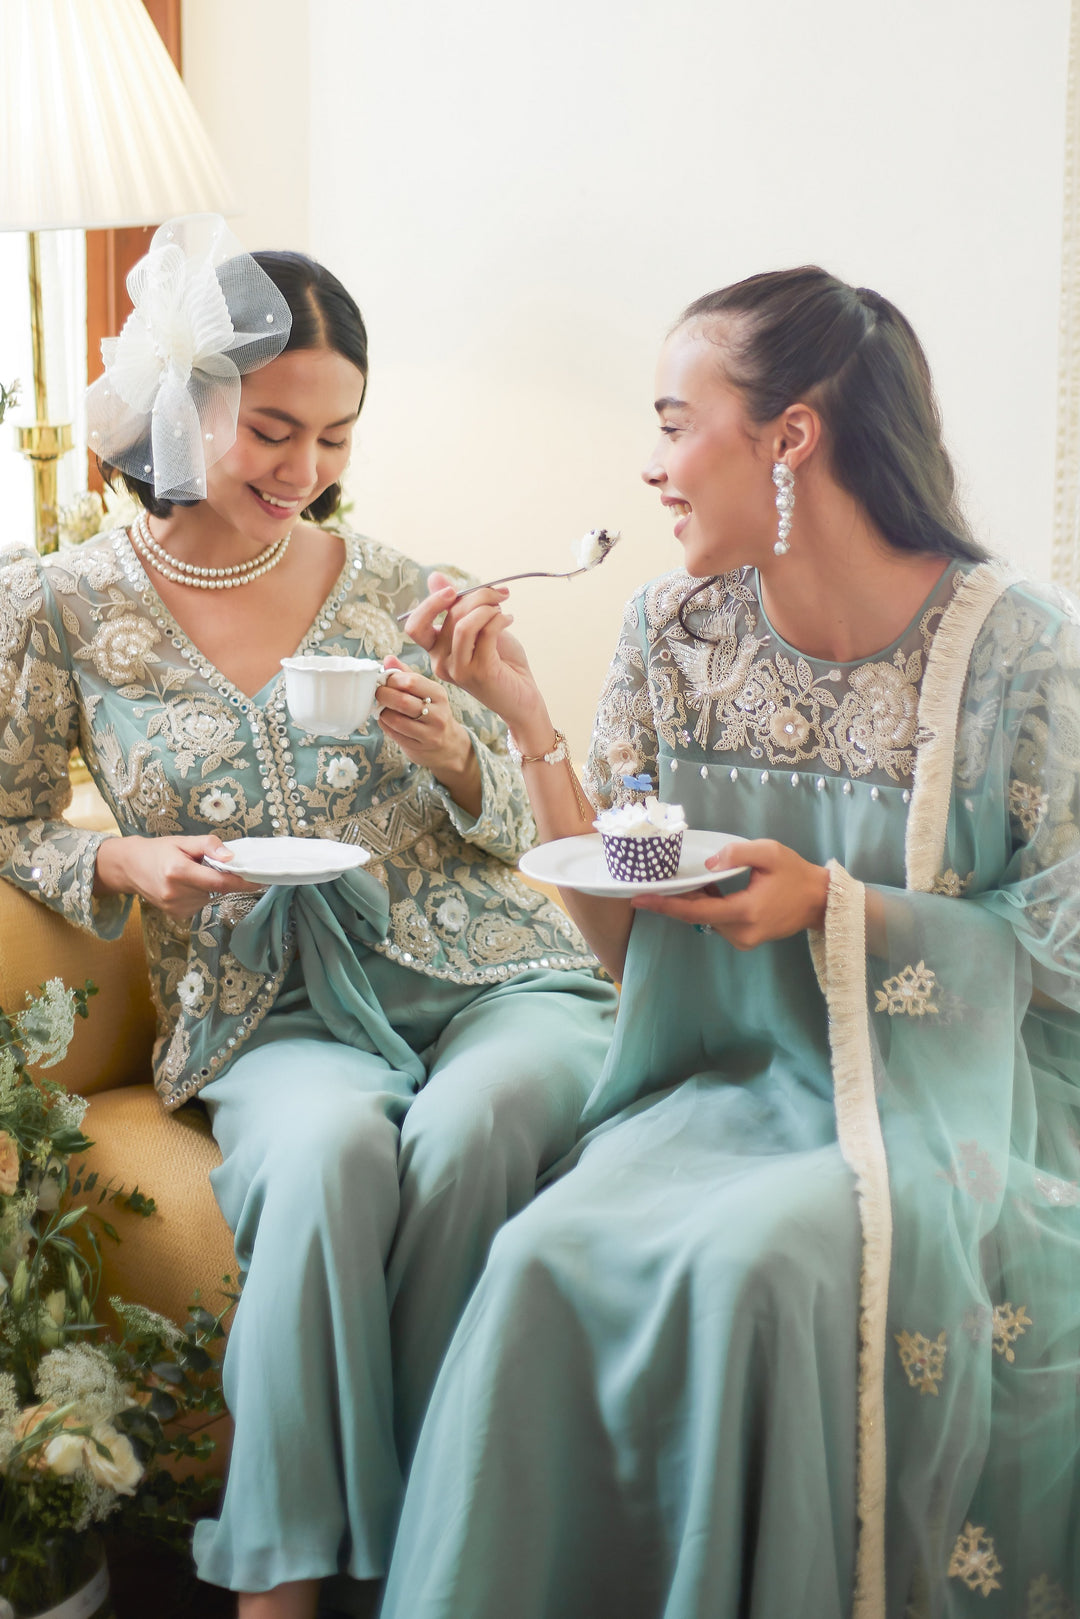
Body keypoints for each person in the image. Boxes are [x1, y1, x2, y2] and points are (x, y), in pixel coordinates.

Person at [380, 267, 1080, 1617]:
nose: (650, 468)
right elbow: (627, 942)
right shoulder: (670, 630)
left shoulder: (1015, 653)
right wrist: (525, 723)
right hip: (717, 1087)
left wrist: (834, 905)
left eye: (671, 423)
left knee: (755, 1265)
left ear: (789, 437)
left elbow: (1063, 951)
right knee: (537, 1255)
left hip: (945, 1114)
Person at [0, 215, 617, 1619]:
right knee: (330, 1155)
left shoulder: (401, 587)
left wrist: (457, 752)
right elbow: (13, 816)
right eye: (274, 430)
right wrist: (128, 864)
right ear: (186, 405)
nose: (306, 472)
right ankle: (287, 1589)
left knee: (472, 1131)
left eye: (336, 438)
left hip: (486, 974)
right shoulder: (57, 607)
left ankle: (437, 1562)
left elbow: (519, 822)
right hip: (262, 1009)